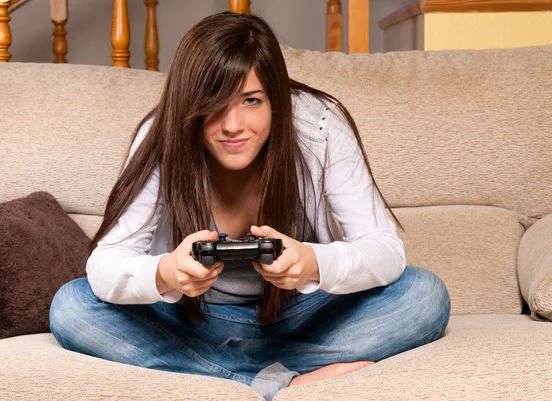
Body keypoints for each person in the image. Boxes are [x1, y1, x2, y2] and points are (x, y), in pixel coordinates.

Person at [49, 11, 450, 401]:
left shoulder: (319, 125)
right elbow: (105, 265)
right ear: (190, 101)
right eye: (214, 103)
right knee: (72, 307)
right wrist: (168, 271)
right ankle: (279, 379)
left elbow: (385, 249)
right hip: (192, 320)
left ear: (276, 97)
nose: (232, 125)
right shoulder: (162, 135)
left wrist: (311, 262)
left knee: (424, 295)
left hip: (301, 316)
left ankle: (214, 372)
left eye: (251, 101)